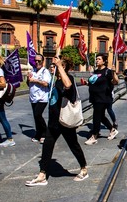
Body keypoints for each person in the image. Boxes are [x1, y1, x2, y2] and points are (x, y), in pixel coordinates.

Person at [25, 56, 88, 186]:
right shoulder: (54, 80)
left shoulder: (68, 78)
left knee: (73, 145)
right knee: (47, 146)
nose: (51, 67)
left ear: (62, 67)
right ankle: (42, 175)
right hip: (54, 121)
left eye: (55, 65)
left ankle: (84, 169)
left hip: (65, 120)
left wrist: (59, 66)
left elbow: (68, 86)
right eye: (52, 66)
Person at [85, 53, 119, 145]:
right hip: (94, 97)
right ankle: (112, 129)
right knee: (101, 116)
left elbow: (115, 82)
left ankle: (94, 136)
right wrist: (87, 82)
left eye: (99, 59)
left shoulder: (107, 71)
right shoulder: (95, 72)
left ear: (104, 61)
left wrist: (114, 72)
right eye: (97, 59)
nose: (97, 60)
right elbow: (93, 82)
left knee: (96, 116)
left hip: (103, 98)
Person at [27, 53, 51, 144]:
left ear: (42, 61)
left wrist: (35, 80)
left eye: (39, 61)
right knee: (35, 117)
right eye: (35, 60)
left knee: (38, 114)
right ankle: (38, 134)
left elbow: (46, 84)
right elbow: (29, 84)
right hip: (33, 97)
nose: (37, 62)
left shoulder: (45, 72)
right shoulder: (32, 71)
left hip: (42, 97)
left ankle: (45, 133)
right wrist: (28, 79)